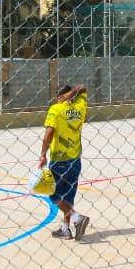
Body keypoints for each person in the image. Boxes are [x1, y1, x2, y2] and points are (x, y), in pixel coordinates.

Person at [40, 84, 90, 240]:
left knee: (52, 193)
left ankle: (76, 218)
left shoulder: (56, 109)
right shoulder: (80, 106)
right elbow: (83, 87)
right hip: (75, 159)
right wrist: (73, 93)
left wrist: (43, 154)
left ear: (58, 96)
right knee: (68, 195)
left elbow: (49, 133)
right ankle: (66, 228)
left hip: (59, 159)